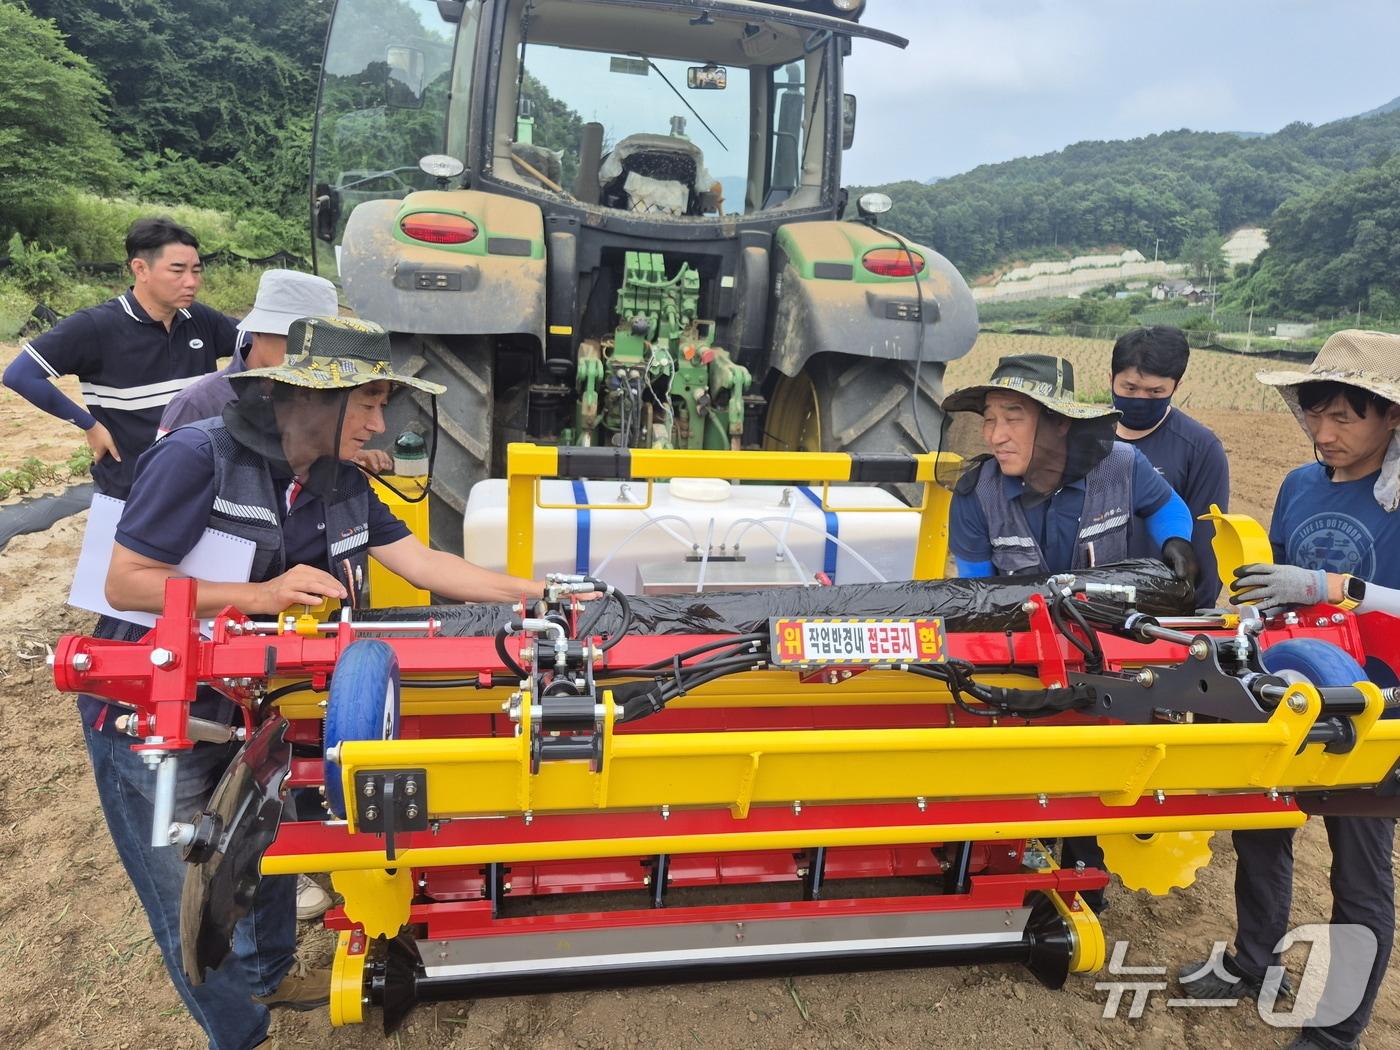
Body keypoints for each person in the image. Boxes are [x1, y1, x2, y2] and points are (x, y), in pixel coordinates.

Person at [94, 316, 550, 1050]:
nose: (380, 421)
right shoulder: (197, 457)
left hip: (263, 700)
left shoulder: (338, 482)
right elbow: (127, 581)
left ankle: (272, 971)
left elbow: (427, 565)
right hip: (161, 706)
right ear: (310, 397)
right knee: (193, 889)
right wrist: (259, 595)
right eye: (368, 403)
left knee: (270, 837)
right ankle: (240, 1033)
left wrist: (540, 595)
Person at [1178, 330, 1400, 1050]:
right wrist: (1257, 606)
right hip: (1289, 685)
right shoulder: (1301, 484)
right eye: (1315, 413)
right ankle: (1252, 964)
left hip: (1376, 705)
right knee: (1261, 829)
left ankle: (1334, 1034)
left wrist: (1339, 589)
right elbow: (1273, 578)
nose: (1324, 433)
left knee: (1358, 871)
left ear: (1391, 416)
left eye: (1346, 418)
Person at [943, 353, 1199, 910]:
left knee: (1095, 750)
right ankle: (992, 847)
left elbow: (1167, 507)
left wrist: (1176, 541)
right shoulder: (977, 494)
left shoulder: (1123, 467)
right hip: (1018, 647)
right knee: (1016, 750)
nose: (995, 434)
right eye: (989, 419)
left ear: (1060, 422)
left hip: (1101, 645)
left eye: (1012, 417)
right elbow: (975, 593)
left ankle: (1084, 859)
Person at [2, 217, 237, 499]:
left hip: (202, 481)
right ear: (141, 269)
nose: (192, 282)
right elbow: (20, 375)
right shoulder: (96, 327)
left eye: (196, 271)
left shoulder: (201, 319)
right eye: (178, 270)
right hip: (131, 487)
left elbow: (258, 343)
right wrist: (89, 424)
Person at [1109, 326, 1231, 609]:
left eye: (1155, 391)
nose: (1140, 398)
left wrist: (1193, 617)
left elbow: (1206, 545)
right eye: (1129, 388)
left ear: (1176, 387)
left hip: (1161, 613)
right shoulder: (1085, 437)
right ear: (1111, 379)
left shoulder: (1200, 448)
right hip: (1091, 606)